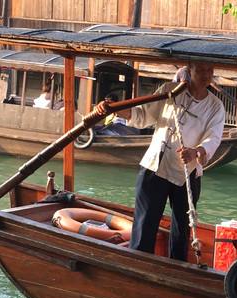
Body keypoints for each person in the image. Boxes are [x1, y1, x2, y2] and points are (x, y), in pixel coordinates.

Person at [93, 62, 224, 261]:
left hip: (186, 173)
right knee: (145, 224)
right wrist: (115, 110)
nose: (206, 74)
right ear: (190, 70)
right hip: (155, 166)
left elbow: (213, 138)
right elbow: (143, 115)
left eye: (210, 70)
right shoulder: (169, 91)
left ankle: (176, 271)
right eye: (202, 69)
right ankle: (139, 266)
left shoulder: (216, 106)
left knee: (182, 228)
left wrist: (195, 152)